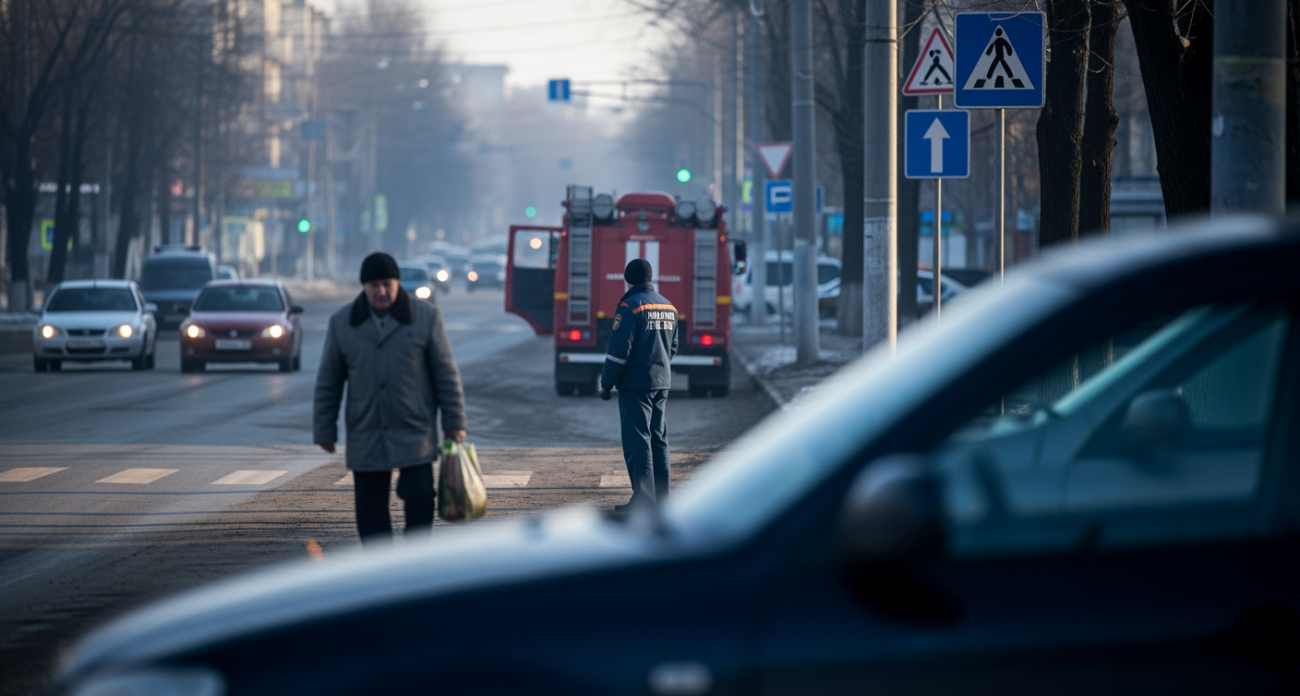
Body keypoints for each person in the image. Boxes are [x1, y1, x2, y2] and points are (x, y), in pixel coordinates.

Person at [314, 252, 467, 543]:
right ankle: (380, 575)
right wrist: (325, 430)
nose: (381, 292)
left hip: (414, 432)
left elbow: (446, 374)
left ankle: (415, 567)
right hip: (366, 433)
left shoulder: (426, 317)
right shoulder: (342, 323)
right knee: (370, 514)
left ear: (398, 284)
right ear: (364, 287)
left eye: (387, 284)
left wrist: (454, 421)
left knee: (421, 500)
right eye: (374, 286)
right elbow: (328, 382)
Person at [599, 259, 678, 513]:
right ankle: (662, 500)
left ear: (628, 280)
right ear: (650, 278)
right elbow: (672, 348)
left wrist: (606, 383)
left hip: (635, 385)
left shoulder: (629, 307)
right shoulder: (669, 307)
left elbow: (618, 352)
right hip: (661, 382)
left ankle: (643, 501)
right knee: (658, 439)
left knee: (638, 441)